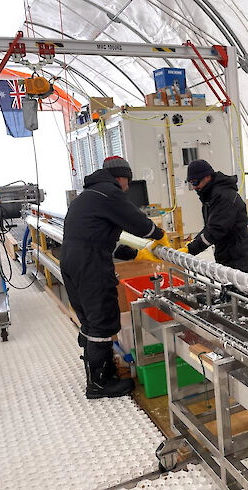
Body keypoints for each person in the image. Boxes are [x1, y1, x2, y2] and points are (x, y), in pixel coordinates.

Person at [61, 156, 170, 399]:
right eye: (127, 181)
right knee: (101, 319)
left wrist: (135, 254)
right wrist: (159, 235)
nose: (128, 187)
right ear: (120, 177)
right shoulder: (109, 193)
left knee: (90, 320)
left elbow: (101, 240)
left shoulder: (89, 196)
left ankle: (102, 373)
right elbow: (138, 223)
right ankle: (99, 384)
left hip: (73, 260)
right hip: (90, 265)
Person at [179, 159, 248, 274]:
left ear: (207, 177)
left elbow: (215, 230)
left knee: (236, 290)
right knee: (227, 289)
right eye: (191, 183)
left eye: (195, 182)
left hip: (238, 255)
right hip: (226, 252)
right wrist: (191, 244)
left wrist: (191, 249)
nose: (194, 187)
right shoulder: (210, 196)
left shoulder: (223, 196)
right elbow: (209, 227)